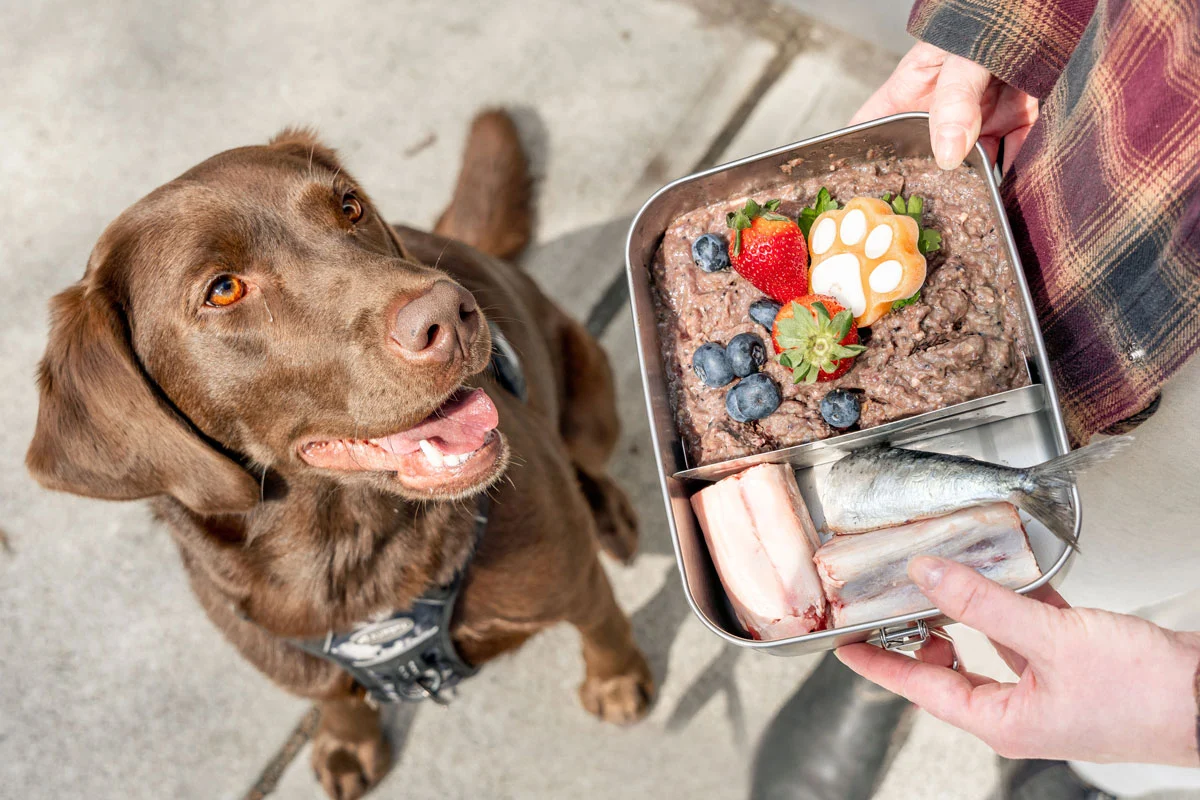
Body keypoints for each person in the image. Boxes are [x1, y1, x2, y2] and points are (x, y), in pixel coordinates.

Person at [836, 0, 1200, 792]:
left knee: (1137, 635)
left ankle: (1123, 776)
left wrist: (1186, 713)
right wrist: (1013, 21)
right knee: (1048, 572)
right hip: (1095, 160)